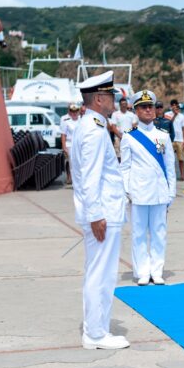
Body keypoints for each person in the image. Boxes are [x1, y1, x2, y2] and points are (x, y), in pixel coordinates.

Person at [70, 71, 129, 350]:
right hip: (103, 212)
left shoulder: (89, 125)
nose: (114, 101)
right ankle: (96, 334)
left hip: (103, 210)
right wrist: (96, 215)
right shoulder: (93, 131)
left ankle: (95, 329)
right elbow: (90, 176)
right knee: (102, 274)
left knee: (97, 271)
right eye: (111, 97)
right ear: (99, 98)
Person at [120, 90, 176, 286]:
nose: (148, 110)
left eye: (150, 106)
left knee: (159, 233)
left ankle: (157, 270)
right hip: (139, 192)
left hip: (160, 192)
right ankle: (142, 271)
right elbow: (125, 167)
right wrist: (127, 191)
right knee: (138, 234)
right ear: (136, 110)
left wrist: (171, 193)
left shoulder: (163, 135)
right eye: (143, 107)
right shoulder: (129, 137)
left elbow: (170, 166)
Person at [60, 103, 81, 187]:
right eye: (72, 111)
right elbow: (63, 134)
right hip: (70, 144)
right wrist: (64, 146)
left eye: (76, 111)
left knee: (80, 163)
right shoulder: (66, 120)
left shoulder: (81, 119)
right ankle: (74, 182)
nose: (74, 113)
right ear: (70, 111)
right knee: (72, 164)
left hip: (79, 144)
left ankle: (80, 181)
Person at [166, 99, 184, 180]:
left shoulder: (182, 116)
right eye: (173, 105)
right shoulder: (167, 114)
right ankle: (171, 175)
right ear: (171, 106)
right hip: (170, 139)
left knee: (181, 159)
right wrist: (174, 115)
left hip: (179, 139)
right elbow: (169, 124)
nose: (175, 107)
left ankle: (182, 175)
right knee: (170, 159)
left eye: (176, 105)